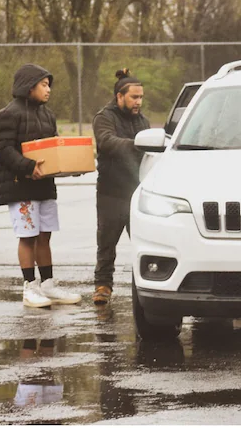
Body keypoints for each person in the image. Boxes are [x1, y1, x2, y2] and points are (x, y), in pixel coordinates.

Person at [0, 63, 81, 308]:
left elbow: (52, 149)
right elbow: (1, 149)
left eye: (49, 84)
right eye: (44, 84)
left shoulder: (47, 115)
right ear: (29, 86)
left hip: (44, 187)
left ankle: (48, 284)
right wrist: (28, 168)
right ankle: (29, 287)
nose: (49, 89)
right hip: (20, 187)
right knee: (27, 237)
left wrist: (70, 166)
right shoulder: (7, 114)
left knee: (44, 236)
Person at [91, 69, 150, 305]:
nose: (138, 102)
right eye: (134, 97)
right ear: (119, 96)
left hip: (137, 192)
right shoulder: (104, 117)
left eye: (141, 97)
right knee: (106, 243)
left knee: (144, 242)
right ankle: (103, 286)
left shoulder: (142, 120)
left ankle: (146, 284)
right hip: (111, 192)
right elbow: (106, 141)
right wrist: (137, 144)